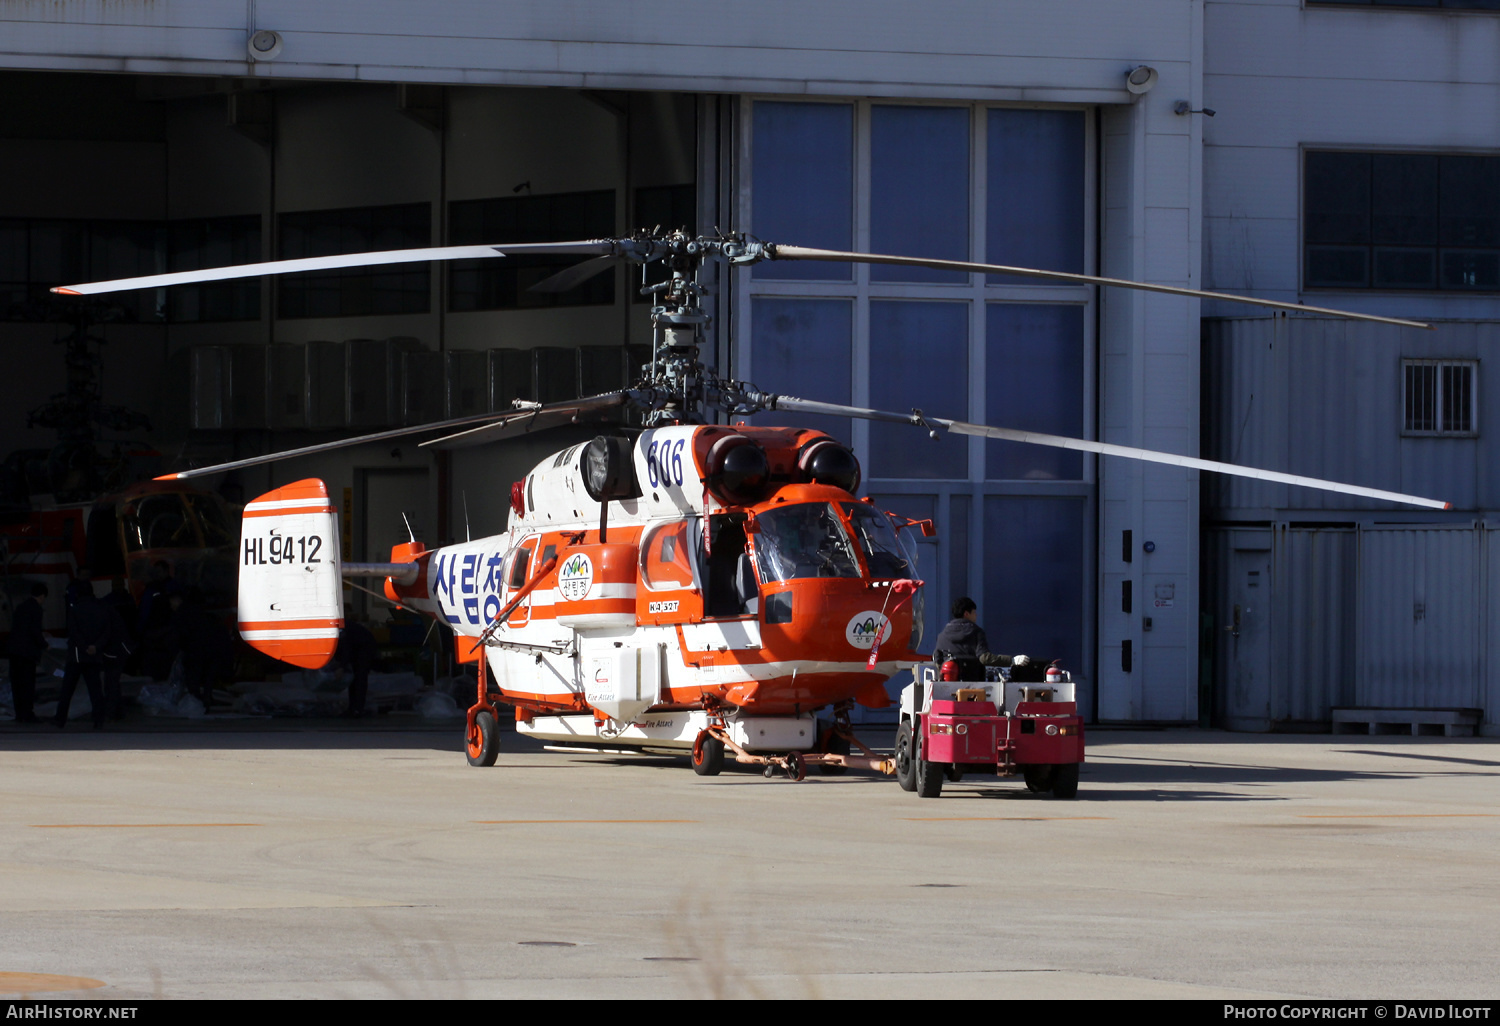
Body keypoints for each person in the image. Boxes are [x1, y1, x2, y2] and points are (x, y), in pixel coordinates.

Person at [54, 578, 110, 730]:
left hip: (77, 654)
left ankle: (60, 719)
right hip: (94, 655)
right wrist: (95, 646)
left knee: (67, 689)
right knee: (95, 689)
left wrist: (84, 646)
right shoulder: (101, 609)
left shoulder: (75, 609)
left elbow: (73, 632)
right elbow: (106, 631)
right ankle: (99, 719)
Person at [931, 596, 1030, 669]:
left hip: (946, 685)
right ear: (966, 614)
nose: (976, 615)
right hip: (973, 686)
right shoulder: (976, 632)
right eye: (974, 612)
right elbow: (985, 658)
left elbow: (936, 657)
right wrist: (1012, 660)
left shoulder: (942, 636)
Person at [7, 583, 48, 723]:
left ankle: (19, 714)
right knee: (27, 684)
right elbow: (34, 631)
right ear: (42, 596)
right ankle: (28, 714)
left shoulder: (21, 607)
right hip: (27, 652)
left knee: (17, 684)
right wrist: (44, 644)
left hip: (14, 651)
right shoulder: (36, 609)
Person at [334, 610, 376, 718]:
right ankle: (353, 708)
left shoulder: (339, 627)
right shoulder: (338, 626)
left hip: (364, 647)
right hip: (359, 646)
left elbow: (345, 647)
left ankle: (357, 709)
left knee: (360, 677)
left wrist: (341, 667)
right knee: (354, 679)